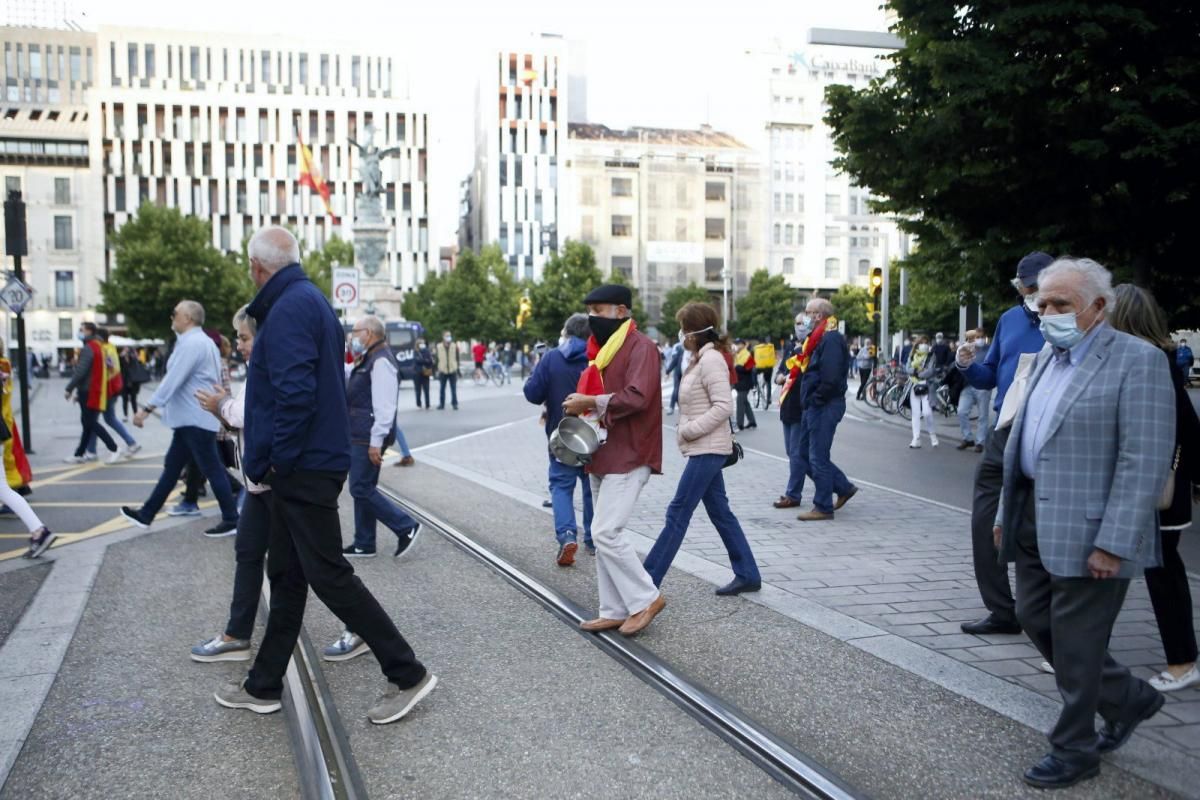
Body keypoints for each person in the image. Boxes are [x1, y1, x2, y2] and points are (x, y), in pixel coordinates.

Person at [214, 225, 436, 724]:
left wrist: (276, 461)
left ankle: (408, 673)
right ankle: (264, 683)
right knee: (288, 575)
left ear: (256, 267)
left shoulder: (289, 308)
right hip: (312, 460)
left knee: (327, 575)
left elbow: (294, 396)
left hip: (302, 466)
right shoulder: (310, 301)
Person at [995, 257, 1171, 789]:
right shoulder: (1051, 354)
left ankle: (1074, 748)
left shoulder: (1137, 361)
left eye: (1060, 305)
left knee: (1076, 643)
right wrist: (1007, 512)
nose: (1047, 313)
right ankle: (1128, 696)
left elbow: (1145, 458)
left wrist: (1115, 541)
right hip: (1032, 518)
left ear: (1097, 308)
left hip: (1093, 531)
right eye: (1042, 304)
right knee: (1032, 615)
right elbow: (1025, 439)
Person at [1109, 284, 1200, 692]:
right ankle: (1082, 651)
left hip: (1159, 491)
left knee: (1163, 574)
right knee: (1112, 571)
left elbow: (1185, 430)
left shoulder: (1153, 364)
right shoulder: (1140, 360)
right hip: (1145, 488)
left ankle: (1183, 661)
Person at [956, 251, 1052, 637]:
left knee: (1040, 524)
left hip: (1047, 428)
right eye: (1023, 288)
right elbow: (990, 375)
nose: (1027, 294)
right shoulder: (1011, 320)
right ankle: (1001, 610)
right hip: (1006, 427)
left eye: (1033, 288)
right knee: (984, 518)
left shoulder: (1065, 319)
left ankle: (1049, 617)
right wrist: (967, 365)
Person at [562, 284, 666, 636]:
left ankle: (646, 599)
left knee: (605, 532)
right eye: (590, 310)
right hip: (604, 450)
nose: (593, 317)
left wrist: (589, 403)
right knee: (600, 531)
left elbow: (637, 397)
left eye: (600, 310)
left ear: (622, 311)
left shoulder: (642, 347)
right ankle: (615, 608)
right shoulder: (603, 349)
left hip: (631, 451)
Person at [644, 303, 761, 596]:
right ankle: (748, 573)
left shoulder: (710, 361)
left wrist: (689, 430)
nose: (680, 333)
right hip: (704, 447)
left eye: (683, 327)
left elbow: (724, 406)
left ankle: (645, 583)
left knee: (678, 512)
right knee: (720, 511)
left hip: (707, 448)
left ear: (694, 331)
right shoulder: (700, 359)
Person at [189, 306, 271, 662]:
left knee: (319, 568)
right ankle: (236, 634)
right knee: (248, 552)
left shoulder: (268, 367)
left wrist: (219, 403)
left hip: (275, 483)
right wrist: (227, 402)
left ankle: (362, 628)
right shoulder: (256, 369)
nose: (238, 344)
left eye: (243, 337)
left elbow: (247, 414)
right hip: (259, 484)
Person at [119, 301, 240, 537]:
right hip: (192, 418)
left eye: (175, 313)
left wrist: (146, 408)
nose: (172, 317)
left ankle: (231, 518)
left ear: (188, 318)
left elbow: (173, 379)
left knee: (211, 468)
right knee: (173, 467)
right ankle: (146, 514)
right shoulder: (199, 342)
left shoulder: (193, 343)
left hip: (195, 418)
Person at [340, 315, 423, 559]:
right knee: (364, 486)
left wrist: (376, 442)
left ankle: (406, 526)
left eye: (356, 333)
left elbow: (384, 408)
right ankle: (364, 542)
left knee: (360, 488)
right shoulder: (370, 358)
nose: (353, 338)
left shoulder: (381, 361)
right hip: (361, 432)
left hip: (368, 435)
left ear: (369, 333)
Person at [523, 313, 595, 565]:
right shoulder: (597, 356)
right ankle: (594, 539)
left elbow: (532, 393)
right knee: (591, 488)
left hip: (561, 434)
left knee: (561, 487)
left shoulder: (552, 357)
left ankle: (566, 536)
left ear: (567, 332)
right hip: (593, 436)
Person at [783, 299, 857, 521]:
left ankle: (823, 506)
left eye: (808, 312)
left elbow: (831, 377)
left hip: (824, 405)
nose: (804, 317)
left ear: (818, 315)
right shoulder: (817, 339)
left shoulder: (831, 339)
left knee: (817, 456)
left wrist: (816, 398)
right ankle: (842, 487)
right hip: (814, 406)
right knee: (804, 453)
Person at [63, 322, 121, 464]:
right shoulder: (100, 347)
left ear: (89, 331)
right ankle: (79, 454)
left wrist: (69, 388)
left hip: (88, 391)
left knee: (90, 422)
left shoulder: (89, 348)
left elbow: (80, 371)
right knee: (87, 423)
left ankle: (114, 448)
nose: (79, 332)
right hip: (96, 389)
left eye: (81, 330)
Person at [84, 328, 141, 464]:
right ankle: (131, 443)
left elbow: (107, 368)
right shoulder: (111, 348)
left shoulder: (104, 350)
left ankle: (92, 451)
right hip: (111, 390)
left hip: (105, 390)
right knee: (108, 419)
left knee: (94, 420)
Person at [0, 339, 33, 498]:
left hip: (3, 416)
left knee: (8, 458)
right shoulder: (4, 363)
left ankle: (13, 491)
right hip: (5, 416)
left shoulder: (2, 364)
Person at [955, 329, 992, 451]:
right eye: (976, 337)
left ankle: (980, 442)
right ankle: (968, 438)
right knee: (961, 411)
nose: (979, 339)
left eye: (981, 337)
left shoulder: (990, 349)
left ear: (984, 337)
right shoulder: (968, 348)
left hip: (983, 386)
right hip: (968, 385)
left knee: (983, 415)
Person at [907, 336, 939, 449]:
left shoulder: (931, 356)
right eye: (922, 343)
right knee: (915, 414)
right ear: (918, 344)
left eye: (926, 343)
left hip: (927, 387)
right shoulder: (912, 356)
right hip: (914, 386)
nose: (924, 345)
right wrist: (916, 371)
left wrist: (918, 374)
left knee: (927, 412)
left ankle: (932, 435)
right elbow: (907, 368)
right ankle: (916, 439)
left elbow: (930, 371)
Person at [732, 338, 757, 430]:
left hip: (745, 382)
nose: (737, 346)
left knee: (740, 402)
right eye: (736, 344)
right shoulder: (737, 354)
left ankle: (739, 423)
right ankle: (752, 421)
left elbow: (749, 368)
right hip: (739, 382)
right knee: (745, 402)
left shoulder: (747, 354)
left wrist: (738, 367)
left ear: (743, 345)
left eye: (738, 344)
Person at [120, 346, 150, 420]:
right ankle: (125, 415)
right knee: (125, 399)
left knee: (133, 399)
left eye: (127, 350)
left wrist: (135, 356)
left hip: (133, 382)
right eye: (125, 350)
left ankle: (135, 414)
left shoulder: (134, 359)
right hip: (124, 381)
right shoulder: (121, 359)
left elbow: (139, 366)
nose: (126, 352)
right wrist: (121, 356)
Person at [435, 330, 459, 410]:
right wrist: (436, 369)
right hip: (443, 370)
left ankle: (454, 403)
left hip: (452, 369)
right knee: (442, 388)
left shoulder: (454, 346)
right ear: (443, 337)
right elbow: (436, 359)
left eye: (449, 335)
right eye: (447, 336)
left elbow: (457, 358)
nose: (449, 337)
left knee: (453, 388)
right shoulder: (439, 346)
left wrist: (458, 369)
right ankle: (441, 404)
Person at [752, 339, 776, 409]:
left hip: (759, 368)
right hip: (769, 367)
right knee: (768, 381)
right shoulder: (770, 347)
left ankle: (755, 386)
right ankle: (769, 398)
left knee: (753, 372)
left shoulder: (756, 348)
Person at [664, 337, 683, 415]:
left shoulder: (679, 347)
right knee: (678, 390)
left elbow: (674, 359)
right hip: (683, 371)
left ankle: (672, 407)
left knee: (677, 389)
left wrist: (668, 371)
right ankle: (673, 407)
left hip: (679, 370)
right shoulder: (682, 347)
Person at [413, 336, 434, 409]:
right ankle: (418, 403)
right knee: (418, 390)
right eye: (421, 343)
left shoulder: (427, 351)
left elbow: (430, 361)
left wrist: (424, 360)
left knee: (426, 389)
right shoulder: (415, 351)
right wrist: (425, 360)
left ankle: (427, 404)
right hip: (417, 373)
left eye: (423, 343)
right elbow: (417, 360)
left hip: (426, 373)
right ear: (418, 344)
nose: (422, 344)